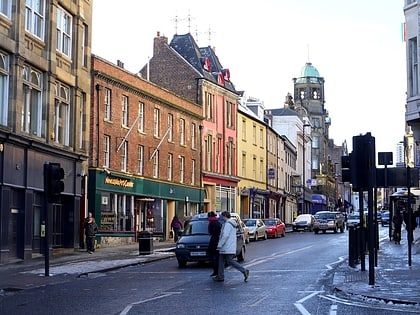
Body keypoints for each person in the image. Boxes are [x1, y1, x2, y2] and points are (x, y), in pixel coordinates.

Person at [213, 211, 249, 282]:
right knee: (221, 260)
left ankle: (244, 271)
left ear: (224, 216)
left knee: (229, 261)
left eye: (222, 216)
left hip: (226, 246)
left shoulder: (227, 225)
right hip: (228, 246)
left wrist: (220, 245)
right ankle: (220, 276)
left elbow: (225, 236)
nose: (221, 217)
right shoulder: (231, 224)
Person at [208, 211, 222, 277]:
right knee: (217, 257)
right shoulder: (218, 223)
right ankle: (218, 271)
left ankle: (216, 271)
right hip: (218, 241)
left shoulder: (211, 223)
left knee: (213, 257)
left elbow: (210, 232)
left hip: (214, 241)